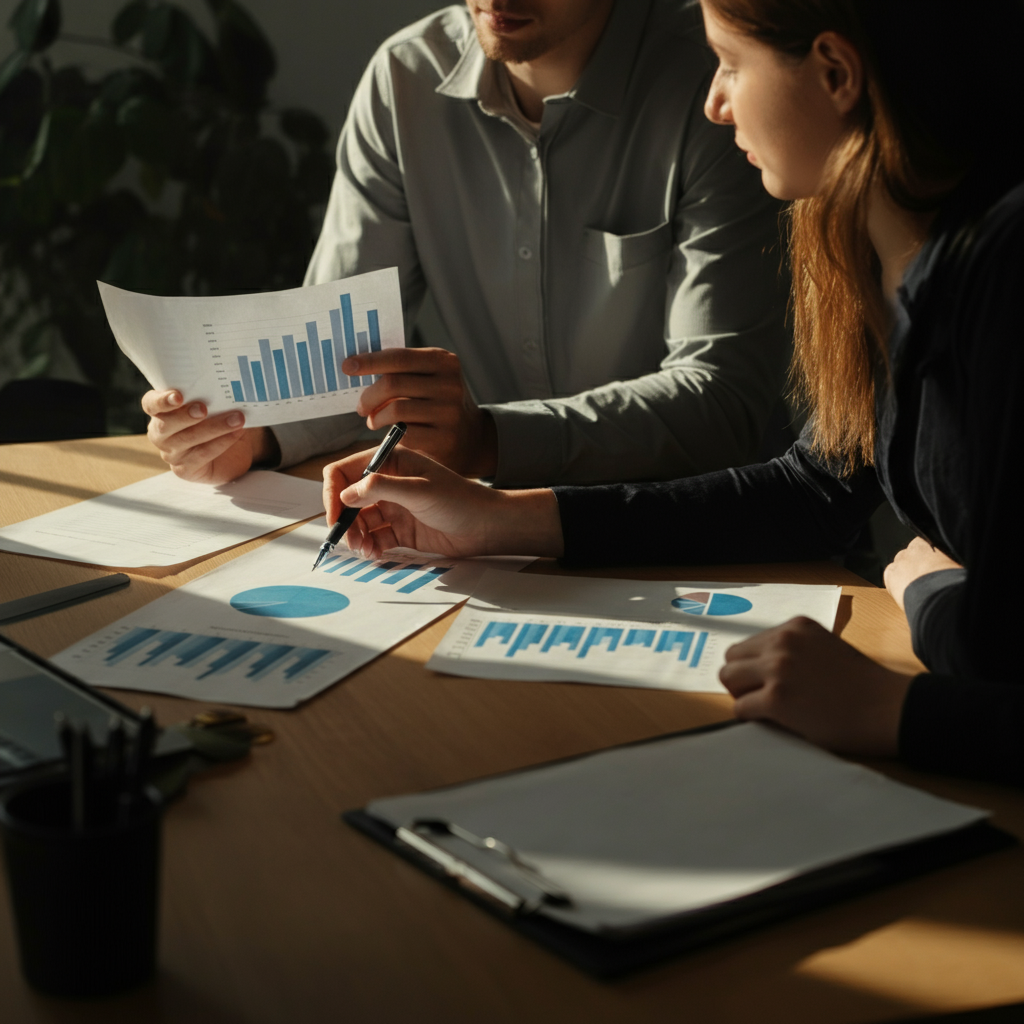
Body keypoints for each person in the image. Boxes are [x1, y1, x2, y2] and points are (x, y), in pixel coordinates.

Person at [318, 0, 1024, 785]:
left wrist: (907, 673)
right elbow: (814, 486)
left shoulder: (1001, 275)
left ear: (835, 73)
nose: (716, 102)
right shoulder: (865, 245)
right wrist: (497, 520)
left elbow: (1000, 653)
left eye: (729, 64)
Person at [142, 0, 791, 488]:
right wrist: (251, 434)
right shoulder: (405, 81)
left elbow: (722, 401)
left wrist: (490, 440)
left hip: (705, 529)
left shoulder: (718, 94)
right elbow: (345, 360)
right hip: (489, 524)